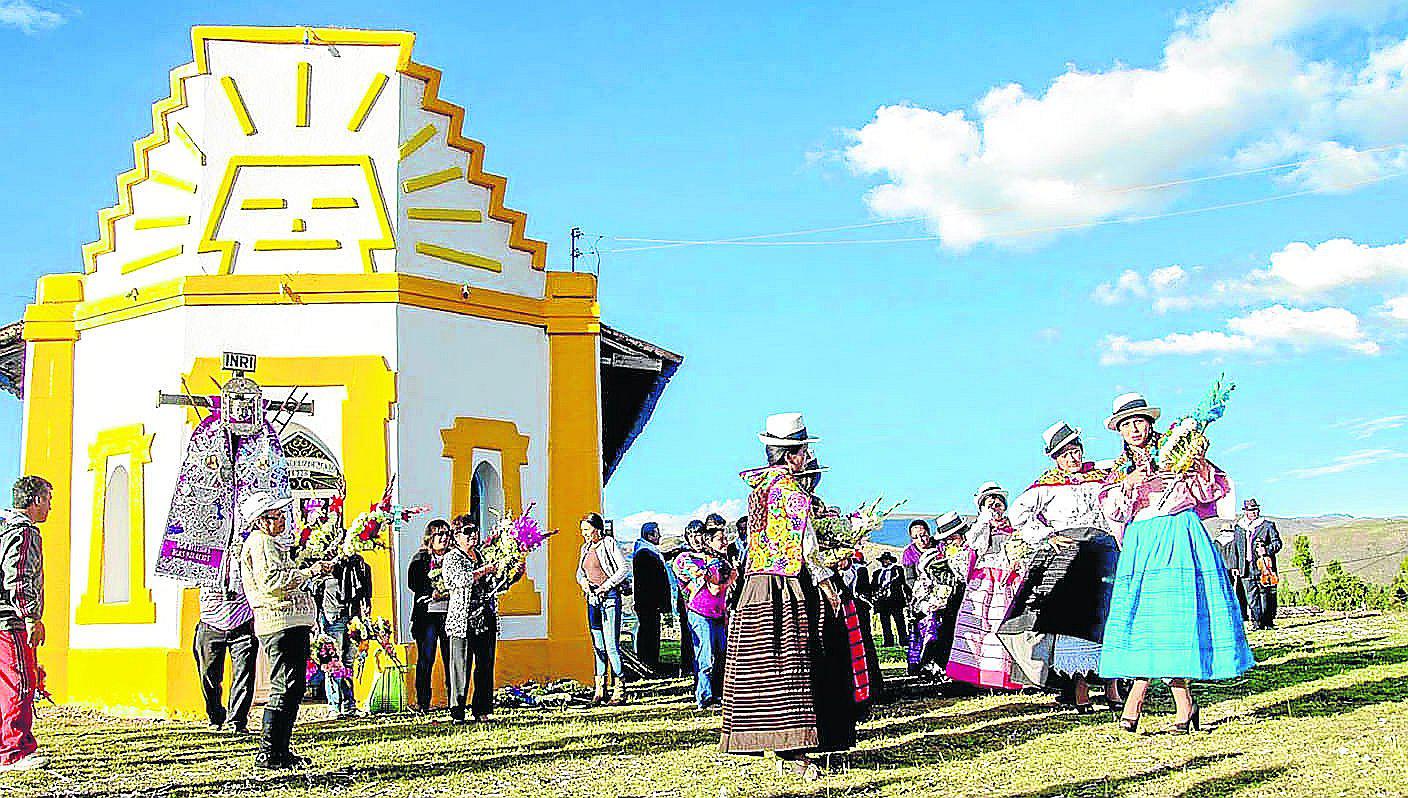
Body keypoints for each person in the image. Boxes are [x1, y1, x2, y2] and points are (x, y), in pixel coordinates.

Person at [1097, 392, 1255, 734]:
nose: (1134, 429)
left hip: (1176, 534)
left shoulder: (1176, 451)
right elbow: (1113, 511)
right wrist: (1128, 485)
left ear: (1150, 423)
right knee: (1144, 621)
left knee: (1172, 619)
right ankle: (1182, 706)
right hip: (1141, 542)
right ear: (1119, 432)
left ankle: (1138, 702)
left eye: (1139, 421)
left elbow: (1208, 489)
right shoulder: (1119, 470)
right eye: (1126, 425)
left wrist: (1196, 462)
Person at [721, 413, 853, 781]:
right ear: (793, 455)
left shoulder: (758, 488)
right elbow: (807, 547)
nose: (806, 457)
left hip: (756, 585)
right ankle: (795, 752)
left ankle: (781, 748)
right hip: (786, 586)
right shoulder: (792, 493)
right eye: (804, 451)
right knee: (790, 669)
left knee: (762, 671)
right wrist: (828, 586)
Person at [1006, 422, 1122, 712]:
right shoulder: (1045, 485)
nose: (1073, 458)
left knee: (1109, 618)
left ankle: (1113, 687)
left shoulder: (1100, 475)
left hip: (1105, 550)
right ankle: (1079, 690)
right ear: (1055, 458)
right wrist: (1047, 535)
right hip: (1072, 554)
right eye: (1065, 454)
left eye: (1076, 451)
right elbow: (1017, 513)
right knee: (1074, 622)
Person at [239, 490, 331, 770]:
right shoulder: (261, 543)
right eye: (275, 516)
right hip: (279, 623)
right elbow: (273, 583)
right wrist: (309, 572)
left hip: (289, 622)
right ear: (261, 521)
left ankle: (280, 749)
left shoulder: (269, 544)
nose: (281, 521)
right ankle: (269, 752)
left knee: (292, 687)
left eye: (281, 515)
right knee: (285, 686)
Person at [946, 482, 1024, 691]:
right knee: (980, 625)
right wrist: (984, 521)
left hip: (1008, 578)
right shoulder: (980, 528)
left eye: (998, 503)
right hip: (984, 580)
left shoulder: (1014, 526)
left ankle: (1008, 677)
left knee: (1004, 625)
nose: (995, 507)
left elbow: (1021, 548)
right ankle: (979, 676)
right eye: (990, 504)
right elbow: (974, 544)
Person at [0, 476, 53, 771]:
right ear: (35, 500)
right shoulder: (24, 533)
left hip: (3, 618)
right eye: (47, 499)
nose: (49, 507)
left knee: (7, 684)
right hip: (11, 620)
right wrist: (31, 616)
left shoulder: (3, 529)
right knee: (21, 682)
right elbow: (18, 576)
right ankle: (14, 751)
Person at [442, 517, 506, 723]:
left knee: (485, 665)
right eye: (468, 531)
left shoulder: (480, 555)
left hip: (484, 615)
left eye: (475, 530)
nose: (473, 535)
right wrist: (485, 570)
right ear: (457, 535)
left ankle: (482, 710)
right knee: (460, 666)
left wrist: (507, 573)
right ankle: (457, 712)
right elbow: (459, 580)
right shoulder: (452, 557)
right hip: (463, 619)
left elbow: (494, 585)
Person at [674, 520, 735, 709]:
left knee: (721, 653)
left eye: (699, 534)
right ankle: (705, 697)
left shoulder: (721, 560)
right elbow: (702, 578)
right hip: (699, 612)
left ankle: (718, 694)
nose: (696, 539)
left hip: (718, 612)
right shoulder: (685, 558)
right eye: (691, 535)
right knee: (705, 656)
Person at [905, 512, 969, 679]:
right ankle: (926, 662)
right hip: (923, 594)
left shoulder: (941, 545)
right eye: (917, 537)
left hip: (948, 590)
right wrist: (925, 593)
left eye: (924, 534)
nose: (922, 539)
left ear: (929, 533)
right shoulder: (909, 553)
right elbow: (909, 579)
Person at [193, 568, 257, 733]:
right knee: (208, 675)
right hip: (210, 622)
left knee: (244, 674)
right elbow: (186, 578)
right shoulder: (206, 551)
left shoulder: (245, 549)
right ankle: (216, 716)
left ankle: (237, 721)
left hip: (243, 622)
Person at [576, 512, 630, 704]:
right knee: (598, 645)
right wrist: (584, 584)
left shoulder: (609, 544)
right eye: (582, 530)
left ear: (597, 529)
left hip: (609, 599)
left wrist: (605, 587)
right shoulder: (585, 548)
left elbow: (623, 569)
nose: (584, 534)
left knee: (611, 645)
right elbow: (580, 572)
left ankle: (620, 688)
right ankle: (599, 689)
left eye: (587, 530)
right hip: (592, 600)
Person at [313, 547, 372, 719]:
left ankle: (349, 705)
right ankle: (334, 706)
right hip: (332, 617)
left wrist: (365, 611)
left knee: (348, 662)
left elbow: (365, 590)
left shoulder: (357, 563)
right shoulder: (323, 566)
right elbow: (315, 592)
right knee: (332, 661)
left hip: (352, 617)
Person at [408, 519, 452, 713]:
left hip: (449, 614)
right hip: (427, 616)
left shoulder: (454, 557)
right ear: (430, 538)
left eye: (447, 534)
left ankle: (455, 701)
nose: (444, 538)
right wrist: (431, 591)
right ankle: (423, 702)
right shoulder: (421, 558)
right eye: (439, 534)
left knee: (452, 658)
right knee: (426, 659)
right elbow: (413, 582)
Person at [1236, 499, 1283, 630]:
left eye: (1255, 509)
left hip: (1264, 567)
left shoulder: (1267, 525)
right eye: (1251, 510)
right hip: (1245, 567)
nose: (1254, 512)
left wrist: (1267, 550)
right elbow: (1236, 547)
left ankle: (1268, 622)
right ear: (1245, 511)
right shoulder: (1239, 527)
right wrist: (1236, 565)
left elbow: (1277, 544)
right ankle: (1257, 622)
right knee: (1251, 597)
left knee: (1266, 594)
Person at [631, 521, 671, 673]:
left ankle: (650, 662)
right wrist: (662, 602)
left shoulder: (647, 552)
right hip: (648, 602)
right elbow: (654, 581)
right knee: (649, 633)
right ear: (649, 535)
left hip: (648, 602)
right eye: (657, 533)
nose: (659, 535)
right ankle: (649, 664)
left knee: (650, 632)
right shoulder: (645, 554)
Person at [871, 552, 908, 647]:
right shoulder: (877, 573)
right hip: (882, 601)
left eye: (886, 559)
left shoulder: (897, 570)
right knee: (885, 622)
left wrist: (908, 596)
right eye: (883, 559)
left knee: (899, 621)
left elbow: (904, 583)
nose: (885, 561)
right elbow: (873, 586)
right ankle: (888, 642)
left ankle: (903, 641)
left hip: (895, 600)